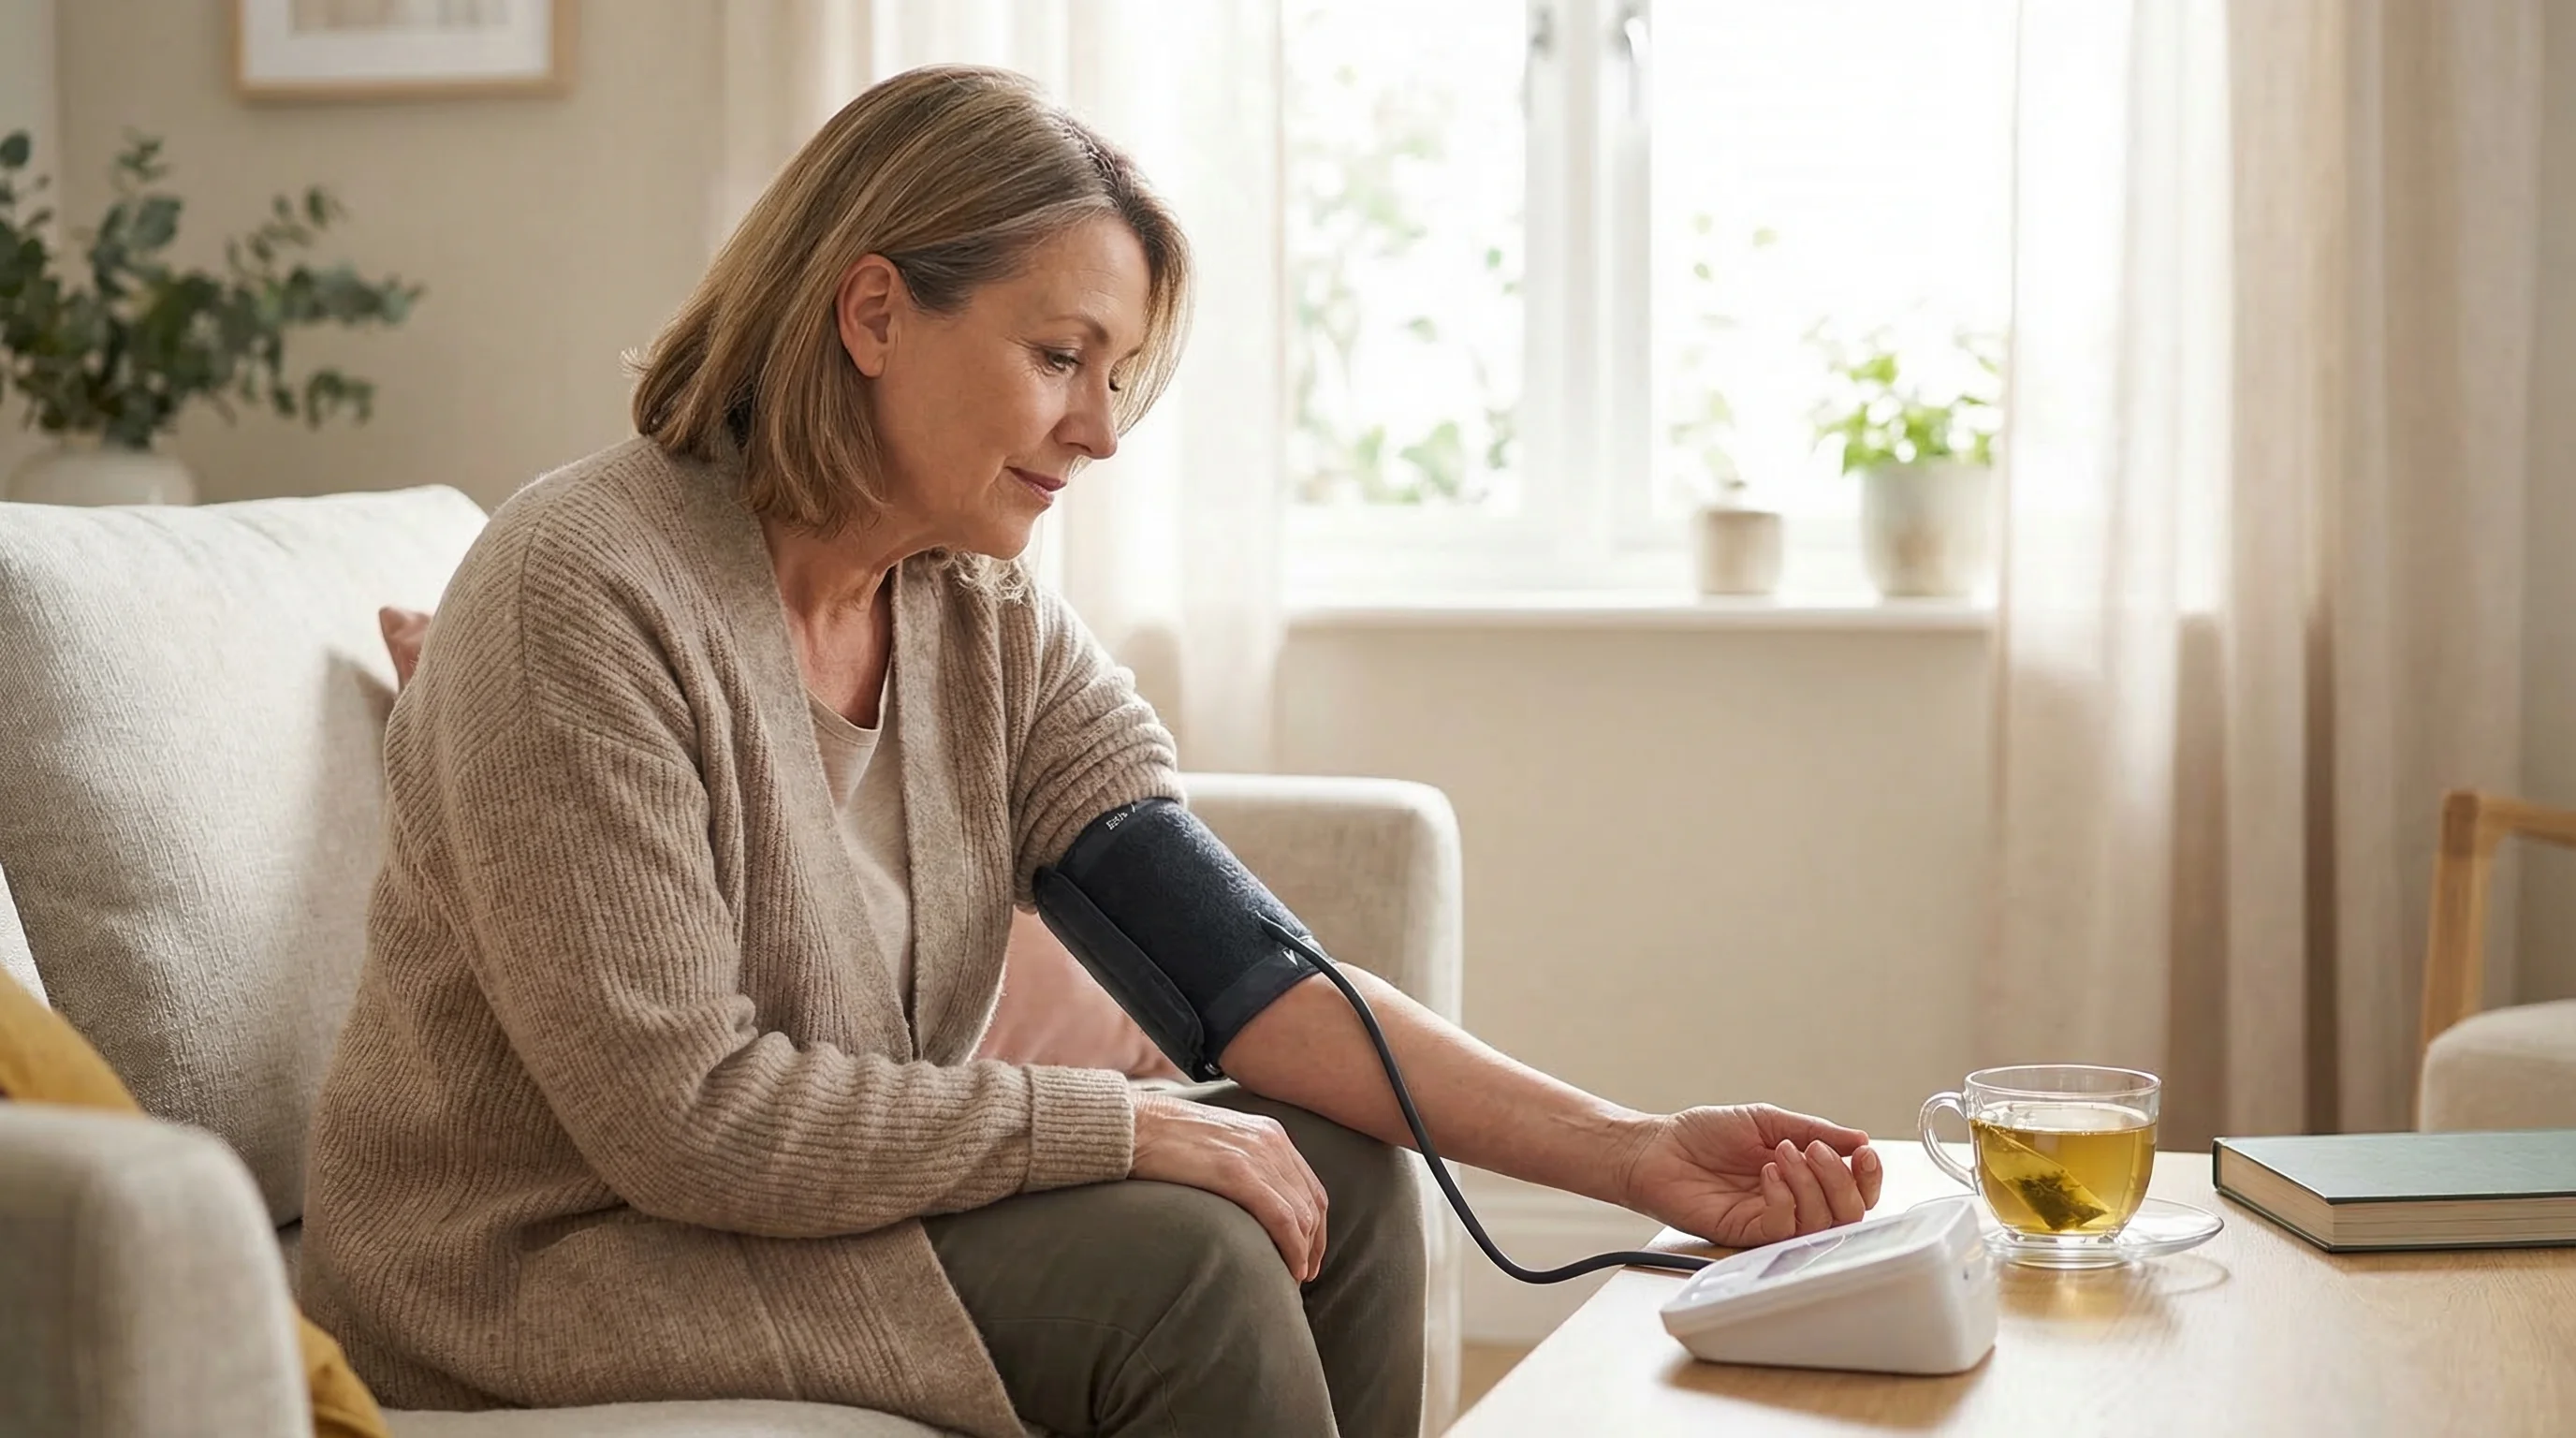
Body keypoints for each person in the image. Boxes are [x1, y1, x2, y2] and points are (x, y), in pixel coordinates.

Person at [300, 64, 1881, 1438]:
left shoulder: (978, 613)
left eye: (1115, 375)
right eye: (1061, 358)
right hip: (546, 1259)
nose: (1101, 431)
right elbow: (684, 1120)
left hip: (760, 1214)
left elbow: (1245, 972)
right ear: (871, 313)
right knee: (1191, 1268)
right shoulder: (576, 590)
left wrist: (1635, 1154)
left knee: (1346, 1172)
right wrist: (1119, 1123)